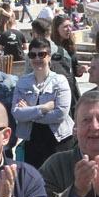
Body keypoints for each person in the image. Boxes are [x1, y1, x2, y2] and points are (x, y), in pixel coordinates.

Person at [12, 39, 73, 168]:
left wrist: (29, 111)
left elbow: (60, 115)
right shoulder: (23, 82)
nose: (37, 58)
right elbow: (16, 113)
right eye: (33, 55)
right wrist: (43, 108)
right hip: (32, 140)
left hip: (58, 140)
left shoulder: (60, 81)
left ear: (49, 56)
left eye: (42, 54)